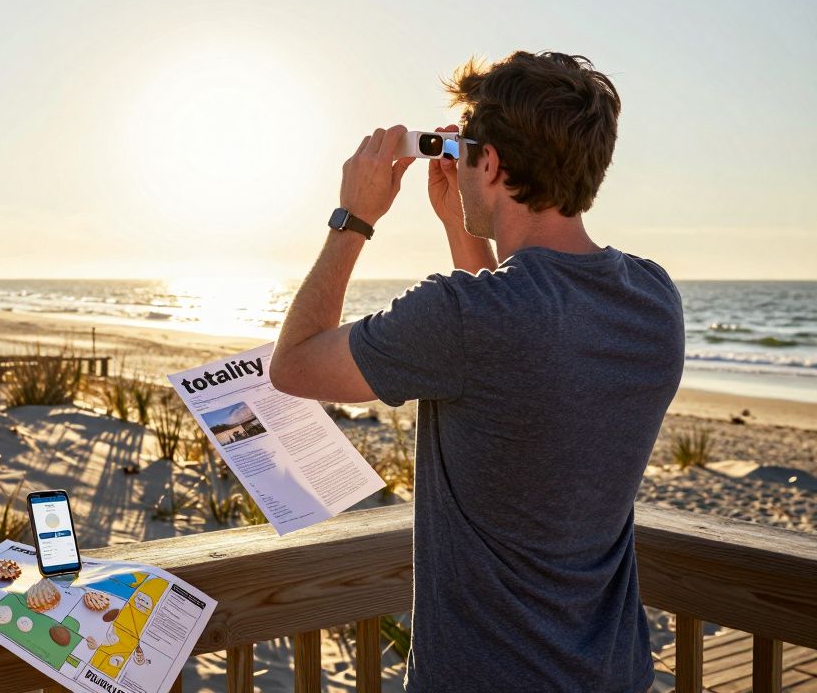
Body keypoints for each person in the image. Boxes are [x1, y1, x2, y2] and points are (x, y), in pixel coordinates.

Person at [268, 51, 683, 692]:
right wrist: (464, 230)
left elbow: (293, 365)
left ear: (488, 163)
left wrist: (354, 217)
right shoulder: (653, 298)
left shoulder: (465, 316)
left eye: (469, 156)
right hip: (612, 674)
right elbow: (511, 356)